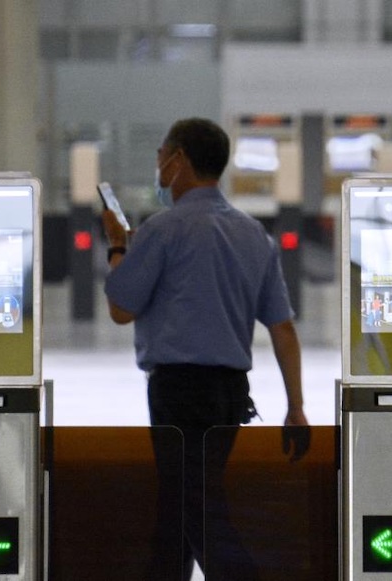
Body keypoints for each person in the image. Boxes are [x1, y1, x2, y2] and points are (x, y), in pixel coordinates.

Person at [101, 117, 309, 580]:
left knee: (192, 508)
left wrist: (117, 246)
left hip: (177, 392)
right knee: (183, 503)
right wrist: (296, 406)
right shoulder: (254, 234)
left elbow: (121, 306)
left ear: (180, 161)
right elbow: (282, 328)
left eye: (161, 156)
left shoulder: (162, 230)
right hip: (229, 394)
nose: (157, 165)